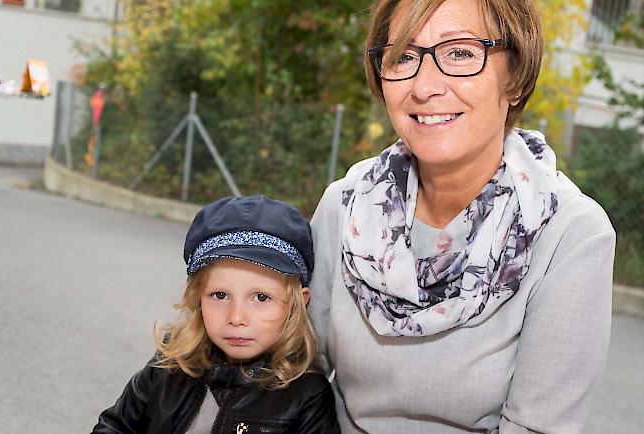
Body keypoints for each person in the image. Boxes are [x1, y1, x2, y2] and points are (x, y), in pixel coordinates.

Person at [308, 0, 616, 432]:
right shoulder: (344, 209)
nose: (424, 85)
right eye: (403, 56)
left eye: (460, 52)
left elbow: (537, 426)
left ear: (515, 77)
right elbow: (299, 378)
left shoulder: (571, 235)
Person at [92, 195, 340, 434]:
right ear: (198, 297)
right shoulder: (171, 363)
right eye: (220, 295)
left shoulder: (307, 395)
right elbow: (115, 426)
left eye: (261, 298)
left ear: (298, 303)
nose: (236, 317)